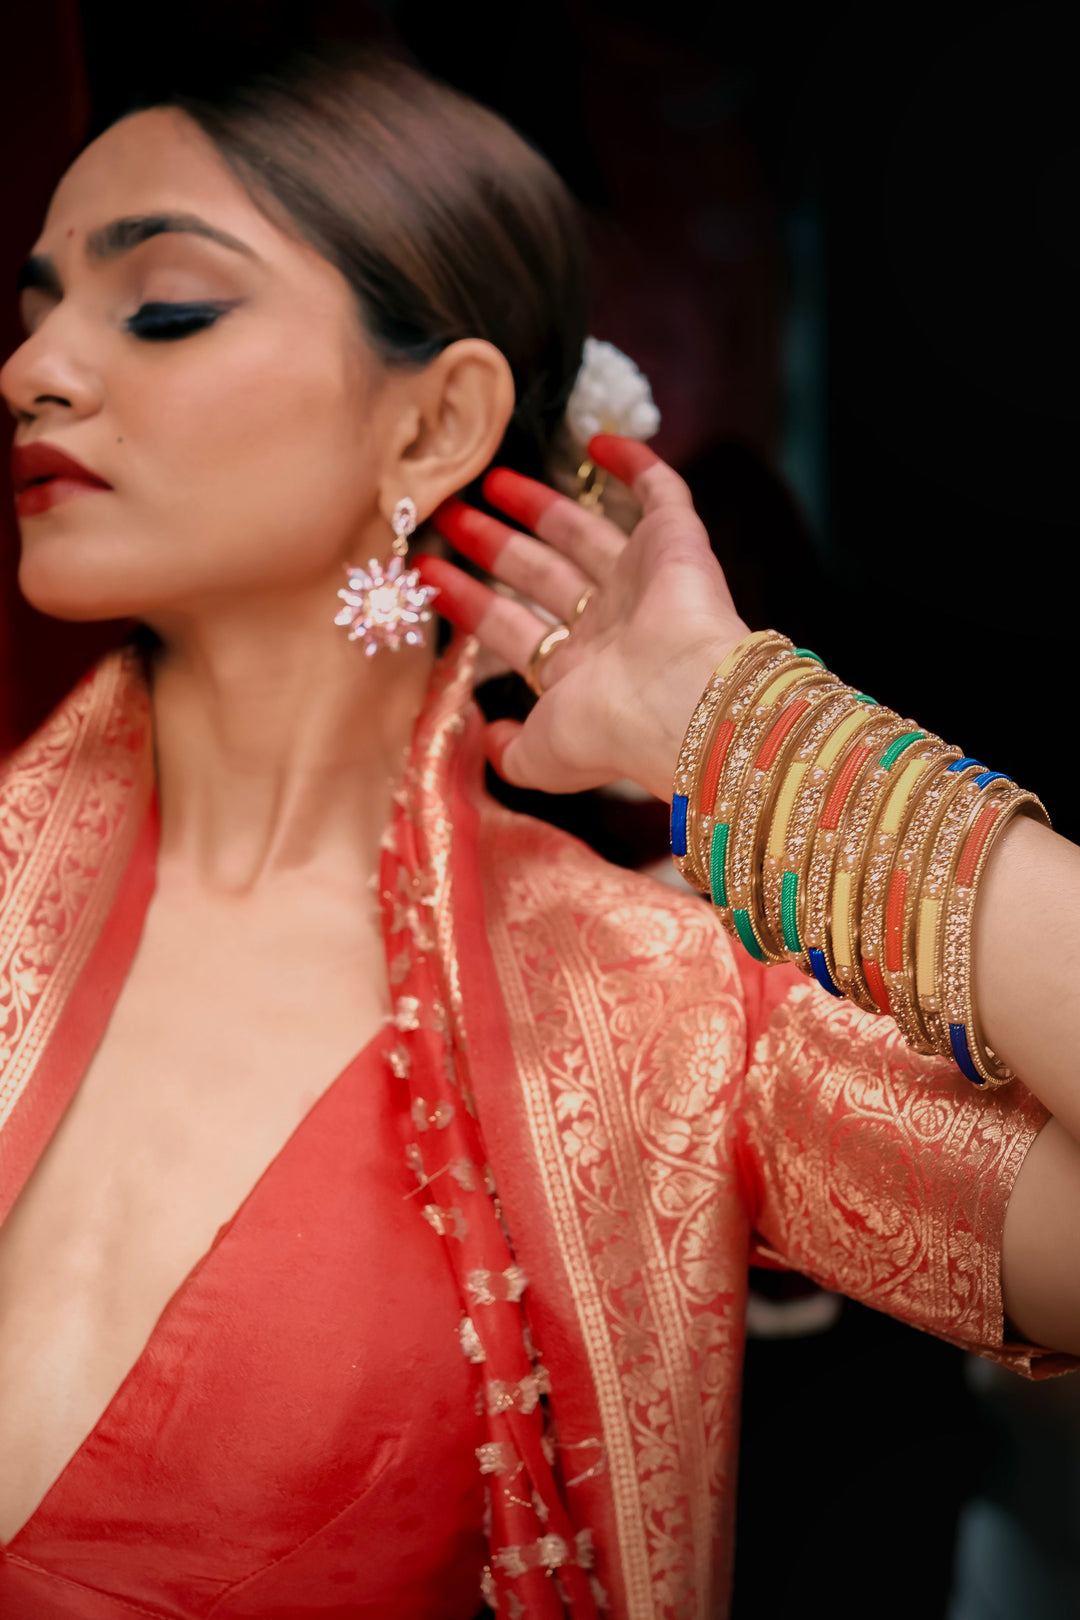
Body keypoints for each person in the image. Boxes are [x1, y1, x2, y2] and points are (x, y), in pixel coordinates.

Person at [0, 44, 1077, 1620]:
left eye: (162, 305)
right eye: (34, 310)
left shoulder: (644, 1011)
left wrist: (745, 729)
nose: (34, 370)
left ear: (437, 424)